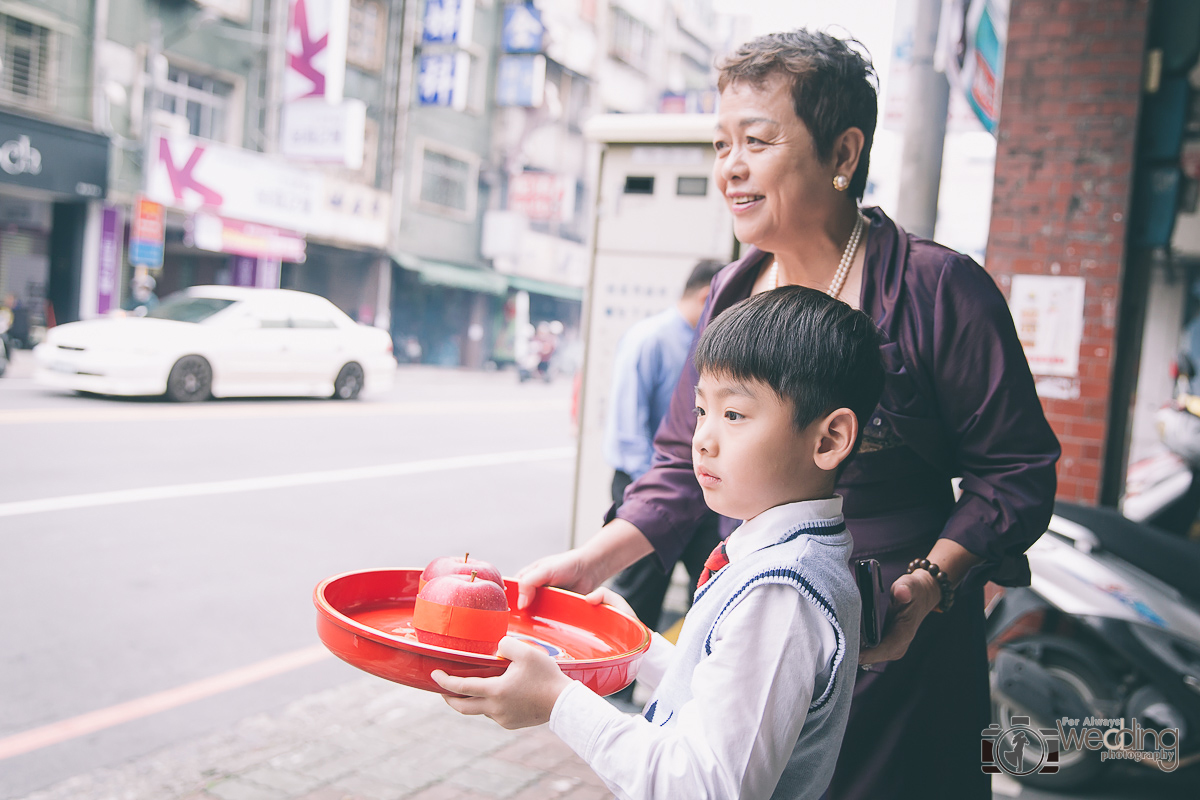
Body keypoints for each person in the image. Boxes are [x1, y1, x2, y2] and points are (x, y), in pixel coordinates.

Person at [516, 29, 1060, 800]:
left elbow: (1017, 473)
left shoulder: (941, 291)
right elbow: (679, 460)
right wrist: (589, 565)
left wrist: (927, 588)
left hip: (898, 643)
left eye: (758, 141)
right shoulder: (733, 295)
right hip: (758, 610)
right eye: (721, 144)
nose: (730, 166)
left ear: (842, 153)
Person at [432, 286, 886, 800]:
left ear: (827, 440)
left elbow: (703, 786)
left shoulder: (781, 594)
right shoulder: (787, 553)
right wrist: (640, 646)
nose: (703, 439)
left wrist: (558, 702)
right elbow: (719, 693)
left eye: (733, 415)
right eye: (700, 412)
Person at [605, 258, 724, 634]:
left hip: (697, 489)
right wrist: (657, 496)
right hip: (649, 484)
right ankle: (616, 692)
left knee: (710, 590)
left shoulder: (704, 345)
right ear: (709, 295)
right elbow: (628, 431)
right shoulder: (650, 338)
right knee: (639, 594)